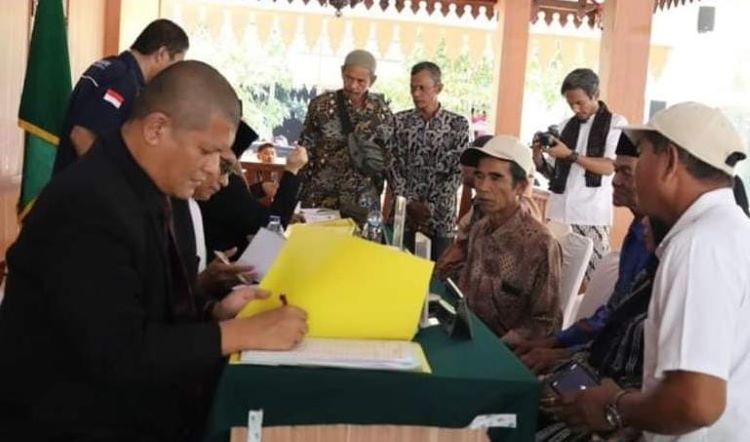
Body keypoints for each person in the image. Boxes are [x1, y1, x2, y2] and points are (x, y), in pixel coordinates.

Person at [0, 61, 308, 441]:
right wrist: (239, 332)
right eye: (206, 151)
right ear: (156, 128)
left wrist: (211, 307)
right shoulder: (86, 202)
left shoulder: (154, 190)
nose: (212, 169)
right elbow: (120, 352)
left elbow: (142, 300)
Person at [548, 102, 750, 440]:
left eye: (642, 156)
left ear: (668, 161)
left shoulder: (697, 244)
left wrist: (614, 405)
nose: (628, 173)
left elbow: (695, 403)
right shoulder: (732, 231)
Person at [515, 134, 651, 373]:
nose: (615, 181)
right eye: (616, 171)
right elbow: (612, 311)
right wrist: (556, 341)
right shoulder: (637, 231)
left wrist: (561, 353)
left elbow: (625, 331)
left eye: (626, 172)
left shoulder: (663, 244)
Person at [436, 135, 562, 341]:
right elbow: (465, 293)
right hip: (466, 335)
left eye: (496, 178)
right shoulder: (479, 229)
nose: (483, 187)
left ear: (520, 187)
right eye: (479, 176)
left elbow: (546, 322)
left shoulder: (540, 244)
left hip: (504, 353)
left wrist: (503, 345)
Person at [54, 19, 189, 174]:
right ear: (162, 54)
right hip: (79, 190)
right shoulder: (122, 79)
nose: (173, 74)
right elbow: (81, 135)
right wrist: (109, 184)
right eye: (176, 64)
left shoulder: (112, 66)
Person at [533, 68, 628, 283]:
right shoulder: (566, 125)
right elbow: (555, 175)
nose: (576, 109)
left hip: (590, 216)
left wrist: (570, 155)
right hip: (558, 214)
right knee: (552, 281)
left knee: (593, 283)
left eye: (580, 102)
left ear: (595, 95)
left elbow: (609, 167)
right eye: (570, 104)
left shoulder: (616, 123)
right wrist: (538, 157)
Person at [388, 61, 470, 260]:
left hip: (441, 220)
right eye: (412, 88)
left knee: (438, 277)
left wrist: (429, 208)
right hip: (404, 215)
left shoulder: (457, 125)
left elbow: (458, 171)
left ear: (438, 88)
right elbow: (392, 164)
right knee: (398, 273)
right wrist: (410, 203)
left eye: (422, 88)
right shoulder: (399, 121)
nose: (416, 94)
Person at [298, 49, 394, 214]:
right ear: (342, 72)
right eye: (349, 78)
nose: (353, 86)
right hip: (321, 197)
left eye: (360, 81)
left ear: (372, 80)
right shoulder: (320, 106)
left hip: (363, 200)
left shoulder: (382, 113)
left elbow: (388, 158)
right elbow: (305, 150)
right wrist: (297, 192)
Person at [198, 122, 307, 255]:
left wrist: (260, 188)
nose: (225, 181)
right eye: (224, 166)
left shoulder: (224, 182)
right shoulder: (222, 184)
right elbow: (273, 226)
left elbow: (239, 205)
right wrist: (291, 171)